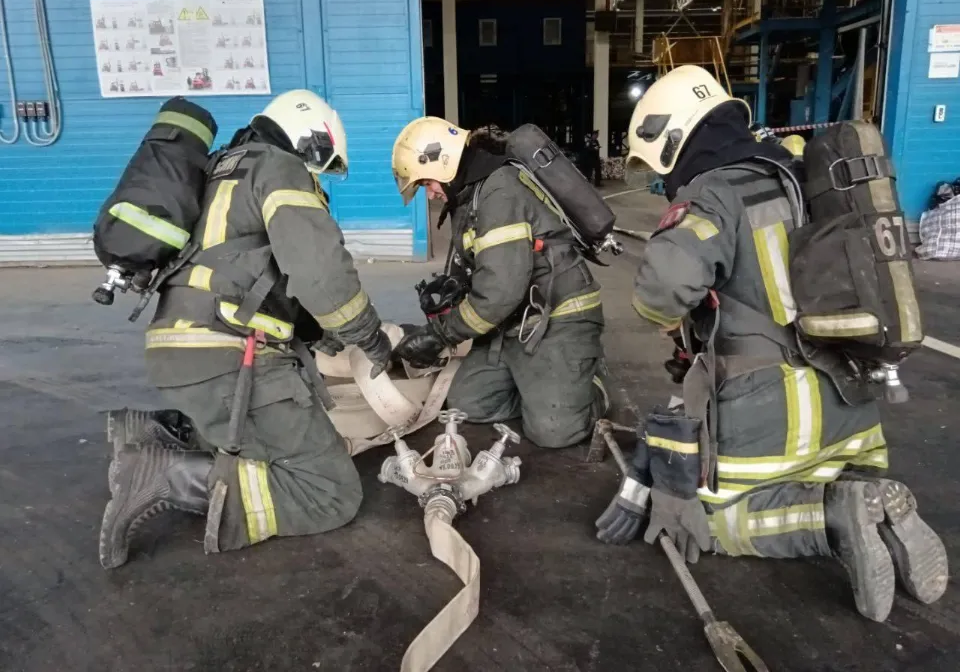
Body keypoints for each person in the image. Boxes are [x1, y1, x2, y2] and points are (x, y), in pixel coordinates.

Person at [595, 65, 947, 622]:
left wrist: (674, 319)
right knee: (832, 472)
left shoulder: (716, 189)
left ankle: (832, 516)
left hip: (775, 412)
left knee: (713, 519)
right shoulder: (803, 172)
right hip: (852, 399)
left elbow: (660, 290)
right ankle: (871, 498)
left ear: (673, 135)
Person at [99, 90, 393, 568]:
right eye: (323, 163)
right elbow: (322, 274)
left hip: (183, 351)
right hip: (231, 355)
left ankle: (163, 429)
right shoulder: (280, 168)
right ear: (312, 139)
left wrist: (320, 335)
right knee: (330, 490)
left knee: (258, 436)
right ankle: (163, 473)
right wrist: (368, 336)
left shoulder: (219, 170)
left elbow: (253, 270)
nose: (319, 177)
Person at [389, 117, 609, 448]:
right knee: (468, 405)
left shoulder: (500, 190)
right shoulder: (470, 196)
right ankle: (544, 387)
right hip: (512, 325)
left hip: (559, 319)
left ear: (443, 160)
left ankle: (586, 386)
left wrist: (441, 335)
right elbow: (478, 272)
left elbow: (498, 293)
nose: (431, 194)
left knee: (553, 431)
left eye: (426, 183)